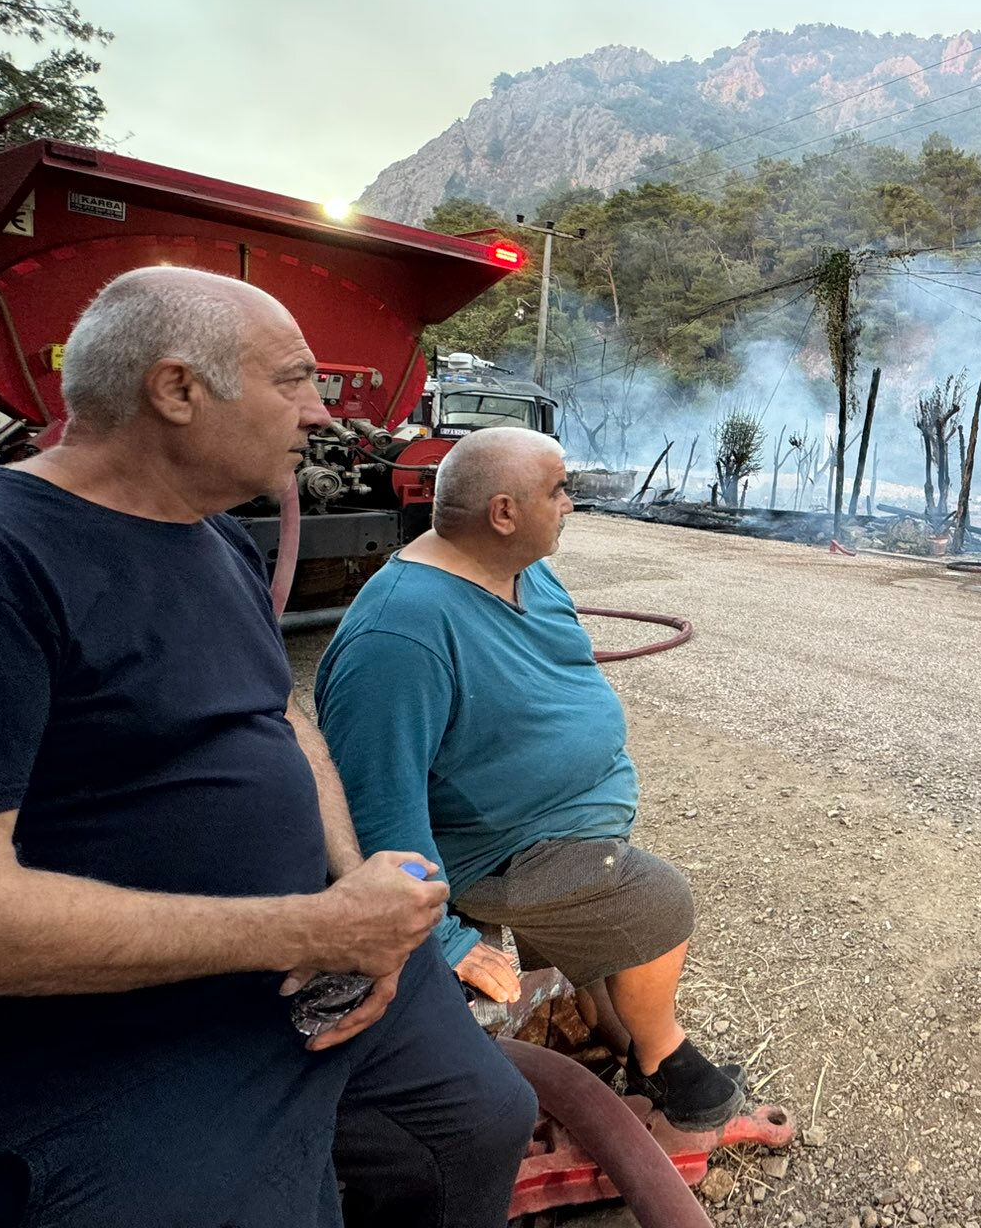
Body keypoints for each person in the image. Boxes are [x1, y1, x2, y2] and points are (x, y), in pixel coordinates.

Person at [0, 266, 536, 1227]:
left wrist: (362, 908)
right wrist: (309, 931)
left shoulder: (213, 536)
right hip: (116, 1030)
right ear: (179, 390)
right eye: (294, 381)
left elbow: (283, 717)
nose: (321, 413)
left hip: (305, 961)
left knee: (485, 1118)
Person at [317, 426, 745, 1130]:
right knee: (657, 903)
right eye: (559, 490)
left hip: (558, 825)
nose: (572, 504)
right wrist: (443, 943)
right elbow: (374, 809)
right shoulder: (401, 636)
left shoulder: (523, 567)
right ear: (503, 513)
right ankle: (661, 1059)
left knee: (599, 942)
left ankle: (604, 1029)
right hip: (495, 849)